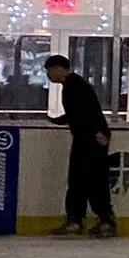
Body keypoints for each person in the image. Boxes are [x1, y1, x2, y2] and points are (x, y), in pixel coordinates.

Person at [45, 51, 117, 236]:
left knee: (88, 179)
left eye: (50, 71)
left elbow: (85, 111)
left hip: (90, 139)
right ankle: (87, 219)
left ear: (59, 69)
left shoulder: (74, 86)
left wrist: (97, 132)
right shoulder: (73, 85)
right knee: (85, 179)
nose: (48, 75)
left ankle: (89, 220)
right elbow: (79, 113)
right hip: (88, 137)